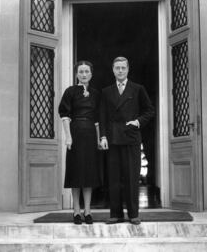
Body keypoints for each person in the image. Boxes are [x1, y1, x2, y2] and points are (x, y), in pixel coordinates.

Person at [100, 56, 154, 225]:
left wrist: (138, 122)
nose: (120, 71)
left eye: (123, 68)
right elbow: (102, 116)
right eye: (117, 68)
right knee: (114, 177)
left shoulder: (138, 89)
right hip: (113, 138)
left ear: (128, 69)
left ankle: (133, 214)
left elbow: (149, 111)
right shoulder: (106, 91)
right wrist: (102, 136)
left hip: (131, 137)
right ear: (113, 70)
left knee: (131, 177)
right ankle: (115, 214)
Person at [58, 61, 101, 225]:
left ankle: (88, 211)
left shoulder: (96, 94)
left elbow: (97, 120)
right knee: (76, 173)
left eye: (87, 72)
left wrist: (98, 139)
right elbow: (65, 116)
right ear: (76, 74)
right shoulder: (70, 92)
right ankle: (76, 211)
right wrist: (68, 137)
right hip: (75, 134)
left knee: (88, 173)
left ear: (91, 74)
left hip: (90, 134)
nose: (84, 74)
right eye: (81, 72)